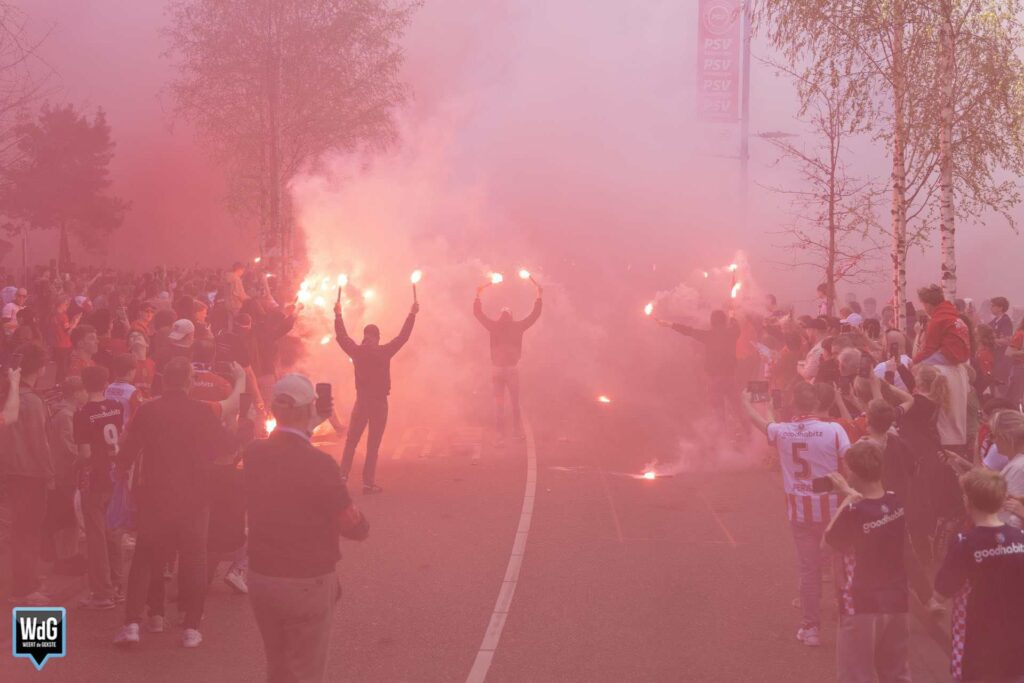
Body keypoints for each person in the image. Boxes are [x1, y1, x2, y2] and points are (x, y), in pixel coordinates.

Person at [244, 373, 369, 683]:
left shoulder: (254, 454)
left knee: (278, 668)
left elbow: (288, 440)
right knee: (304, 673)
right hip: (306, 581)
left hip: (263, 577)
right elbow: (352, 524)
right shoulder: (321, 464)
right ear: (308, 410)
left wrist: (308, 423)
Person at [114, 357, 237, 648]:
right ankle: (191, 628)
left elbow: (127, 454)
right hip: (195, 498)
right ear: (189, 382)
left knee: (145, 557)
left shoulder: (148, 410)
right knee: (194, 560)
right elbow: (227, 448)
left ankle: (133, 624)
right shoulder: (202, 411)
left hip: (154, 496)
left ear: (165, 380)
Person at [742, 381, 851, 646]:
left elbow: (764, 424)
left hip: (801, 511)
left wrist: (747, 403)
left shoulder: (783, 431)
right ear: (817, 403)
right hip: (833, 510)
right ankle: (847, 621)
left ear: (794, 404)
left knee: (809, 570)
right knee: (840, 566)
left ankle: (811, 628)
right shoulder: (834, 430)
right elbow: (850, 462)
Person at [823, 441, 911, 683]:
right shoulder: (895, 502)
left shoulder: (854, 511)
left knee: (856, 675)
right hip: (896, 597)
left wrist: (848, 497)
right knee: (896, 673)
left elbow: (827, 542)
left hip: (862, 602)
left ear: (854, 473)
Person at [935, 469, 1024, 683]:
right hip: (1015, 637)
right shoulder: (1020, 538)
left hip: (974, 638)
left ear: (969, 501)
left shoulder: (964, 542)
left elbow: (941, 591)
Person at [334, 296, 418, 494]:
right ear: (377, 337)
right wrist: (412, 314)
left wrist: (338, 314)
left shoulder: (356, 351)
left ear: (365, 336)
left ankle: (342, 476)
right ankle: (368, 483)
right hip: (379, 404)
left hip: (361, 402)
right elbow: (403, 337)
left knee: (351, 441)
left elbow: (341, 336)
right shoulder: (383, 351)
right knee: (373, 445)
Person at [0, 344, 54, 605]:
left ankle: (25, 579)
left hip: (12, 470)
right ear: (40, 368)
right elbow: (39, 442)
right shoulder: (32, 401)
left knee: (21, 530)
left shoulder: (11, 397)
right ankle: (24, 587)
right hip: (32, 473)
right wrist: (50, 472)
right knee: (29, 531)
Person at [74, 365, 126, 610]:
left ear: (84, 385)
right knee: (113, 531)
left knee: (96, 536)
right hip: (114, 473)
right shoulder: (116, 407)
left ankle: (102, 592)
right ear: (106, 383)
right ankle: (117, 585)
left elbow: (85, 453)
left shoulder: (83, 413)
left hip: (94, 478)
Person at [474, 278, 543, 439]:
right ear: (511, 316)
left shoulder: (494, 326)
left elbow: (478, 314)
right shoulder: (518, 327)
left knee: (499, 403)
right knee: (514, 402)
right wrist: (539, 296)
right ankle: (517, 431)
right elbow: (534, 315)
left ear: (500, 315)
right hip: (512, 369)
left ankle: (499, 433)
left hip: (497, 369)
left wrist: (477, 295)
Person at [657, 310, 742, 431]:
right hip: (730, 378)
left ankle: (722, 437)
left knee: (718, 411)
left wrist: (668, 324)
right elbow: (737, 327)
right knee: (738, 408)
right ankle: (747, 434)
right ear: (724, 321)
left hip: (715, 380)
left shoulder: (708, 336)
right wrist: (732, 316)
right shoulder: (732, 334)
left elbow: (688, 331)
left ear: (712, 322)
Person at [988, 296, 1014, 394]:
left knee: (1000, 382)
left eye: (993, 306)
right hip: (994, 356)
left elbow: (1007, 340)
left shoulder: (1005, 321)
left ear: (1000, 307)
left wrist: (991, 341)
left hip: (1001, 358)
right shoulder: (994, 321)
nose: (991, 308)